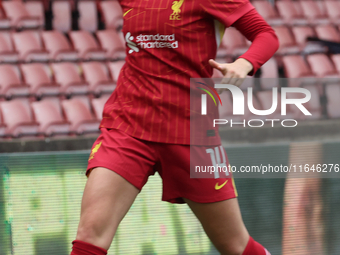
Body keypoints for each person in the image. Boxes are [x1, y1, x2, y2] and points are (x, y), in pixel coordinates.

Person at [70, 0, 279, 254]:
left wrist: (244, 63)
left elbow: (266, 35)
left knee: (235, 246)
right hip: (128, 126)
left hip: (190, 132)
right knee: (90, 235)